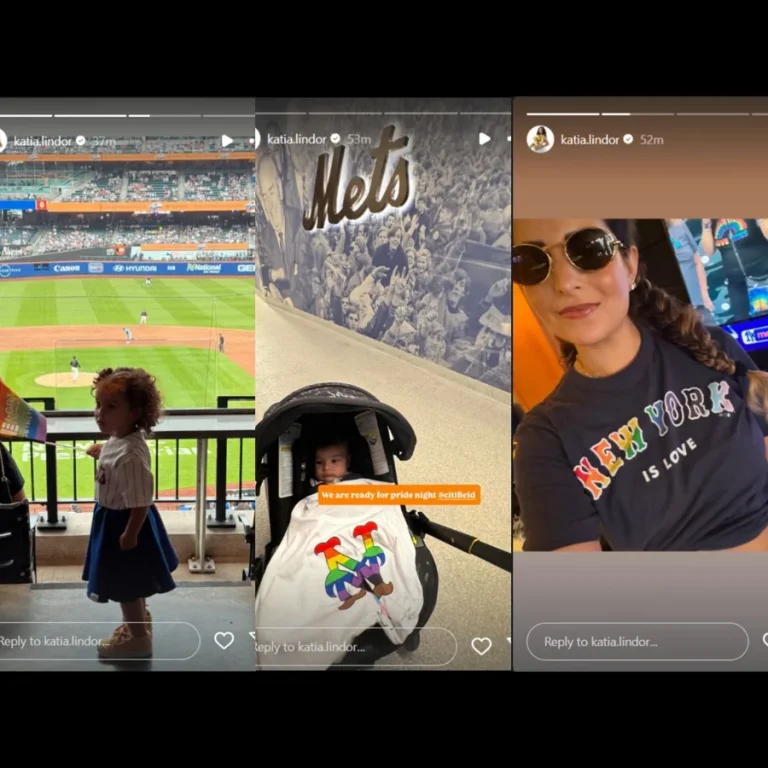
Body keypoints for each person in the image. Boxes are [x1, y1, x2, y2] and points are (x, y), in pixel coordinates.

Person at [512, 218, 768, 552]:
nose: (564, 282)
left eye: (589, 249)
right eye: (532, 262)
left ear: (630, 265)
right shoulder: (545, 440)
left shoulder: (711, 346)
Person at [253, 434, 421, 669]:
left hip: (358, 519)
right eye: (320, 463)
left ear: (348, 460)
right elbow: (308, 519)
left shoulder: (360, 482)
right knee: (306, 570)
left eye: (334, 461)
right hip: (323, 524)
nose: (326, 468)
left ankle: (377, 596)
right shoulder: (310, 490)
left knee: (377, 551)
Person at [82, 367, 179, 658]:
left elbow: (140, 502)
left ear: (135, 412)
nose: (100, 413)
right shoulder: (119, 438)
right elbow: (118, 451)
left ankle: (137, 640)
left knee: (126, 586)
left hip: (124, 525)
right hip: (114, 521)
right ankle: (138, 623)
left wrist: (129, 533)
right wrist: (104, 450)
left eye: (111, 407)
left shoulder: (132, 455)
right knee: (133, 582)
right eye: (99, 404)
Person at [666, 219, 716, 325]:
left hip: (698, 307)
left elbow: (697, 262)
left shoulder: (679, 225)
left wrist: (704, 295)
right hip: (674, 314)